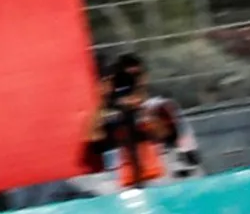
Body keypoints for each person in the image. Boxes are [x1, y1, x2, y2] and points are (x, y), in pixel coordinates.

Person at [82, 53, 199, 191]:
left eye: (137, 75)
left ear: (145, 76)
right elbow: (92, 138)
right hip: (124, 183)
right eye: (126, 76)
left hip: (165, 178)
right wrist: (104, 99)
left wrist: (140, 107)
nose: (134, 80)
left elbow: (164, 134)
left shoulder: (161, 106)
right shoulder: (111, 114)